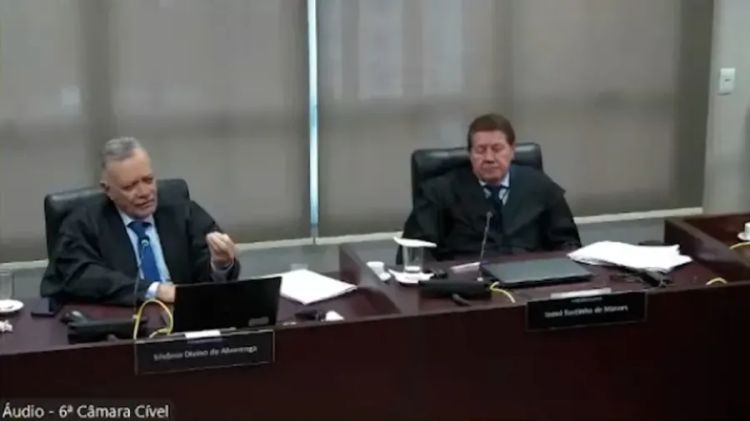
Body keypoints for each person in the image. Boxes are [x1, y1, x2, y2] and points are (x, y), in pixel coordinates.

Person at [41, 137, 241, 305]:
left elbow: (208, 279)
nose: (144, 192)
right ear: (108, 190)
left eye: (148, 180)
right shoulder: (83, 223)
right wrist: (154, 290)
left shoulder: (182, 211)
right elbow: (81, 277)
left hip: (184, 320)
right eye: (130, 186)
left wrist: (220, 264)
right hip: (121, 325)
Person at [400, 113, 581, 262]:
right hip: (465, 285)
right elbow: (415, 252)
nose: (489, 158)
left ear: (512, 150)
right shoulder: (438, 192)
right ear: (470, 154)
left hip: (529, 281)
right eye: (480, 150)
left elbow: (568, 244)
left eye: (497, 149)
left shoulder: (540, 186)